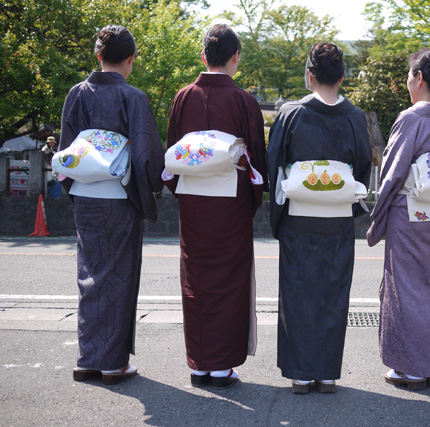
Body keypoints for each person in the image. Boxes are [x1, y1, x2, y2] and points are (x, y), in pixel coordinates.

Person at [58, 25, 164, 384]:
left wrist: (76, 182)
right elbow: (146, 157)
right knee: (118, 277)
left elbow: (67, 147)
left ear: (98, 55)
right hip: (119, 196)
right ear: (130, 59)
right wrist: (154, 187)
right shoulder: (133, 97)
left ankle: (87, 358)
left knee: (89, 275)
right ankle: (112, 364)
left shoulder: (77, 94)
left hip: (85, 196)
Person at [164, 23, 267, 389]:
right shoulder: (244, 101)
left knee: (196, 279)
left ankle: (199, 364)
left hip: (193, 202)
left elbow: (173, 154)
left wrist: (184, 188)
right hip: (231, 202)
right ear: (235, 56)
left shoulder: (183, 97)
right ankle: (221, 367)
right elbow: (257, 162)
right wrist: (249, 200)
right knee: (229, 280)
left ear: (203, 55)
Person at [267, 42, 371, 394]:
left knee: (297, 292)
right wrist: (345, 203)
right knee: (333, 291)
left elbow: (274, 165)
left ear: (309, 75)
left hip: (298, 216)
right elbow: (362, 168)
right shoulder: (354, 117)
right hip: (337, 217)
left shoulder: (291, 114)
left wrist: (279, 216)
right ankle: (326, 374)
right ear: (342, 77)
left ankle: (300, 373)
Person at [366, 48, 430, 389]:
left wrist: (377, 218)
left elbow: (392, 174)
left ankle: (409, 368)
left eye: (410, 76)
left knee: (406, 291)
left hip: (411, 215)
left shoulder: (411, 118)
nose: (409, 82)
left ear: (419, 78)